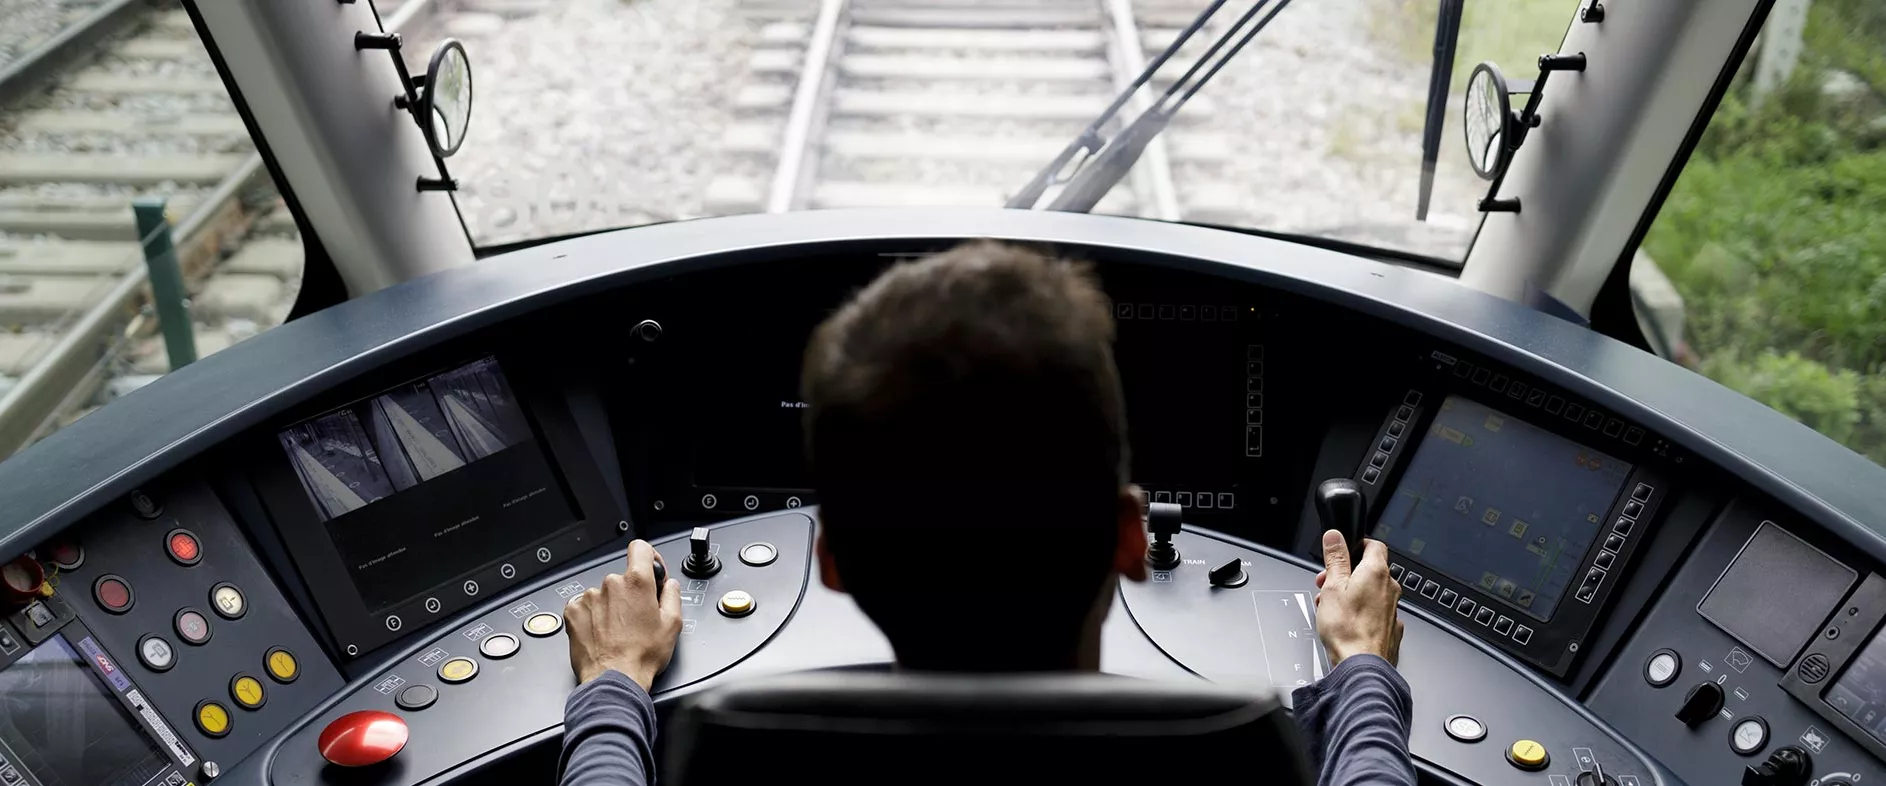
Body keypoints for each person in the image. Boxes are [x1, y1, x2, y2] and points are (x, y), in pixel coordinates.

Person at [557, 242, 1413, 786]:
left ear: (832, 563)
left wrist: (615, 680)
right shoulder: (1237, 744)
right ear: (1126, 537)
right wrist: (1363, 668)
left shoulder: (743, 745)